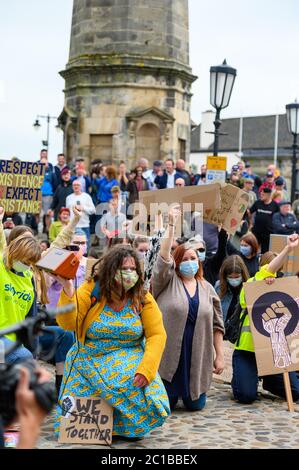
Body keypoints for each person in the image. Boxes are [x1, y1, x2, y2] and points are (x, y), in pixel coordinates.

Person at [54, 245, 170, 439]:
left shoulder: (142, 295)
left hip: (130, 354)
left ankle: (127, 428)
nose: (129, 273)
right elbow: (67, 323)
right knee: (83, 430)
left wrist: (147, 368)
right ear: (110, 270)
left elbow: (157, 334)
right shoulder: (92, 289)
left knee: (144, 390)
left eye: (133, 269)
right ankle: (101, 428)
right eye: (124, 268)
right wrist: (67, 290)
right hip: (90, 356)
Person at [152, 206, 224, 411]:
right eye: (184, 259)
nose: (190, 262)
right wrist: (172, 225)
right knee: (167, 404)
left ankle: (192, 391)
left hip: (197, 353)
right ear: (177, 262)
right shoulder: (166, 281)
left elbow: (217, 326)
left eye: (193, 259)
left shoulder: (207, 288)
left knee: (195, 405)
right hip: (169, 354)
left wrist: (219, 356)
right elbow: (163, 256)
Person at [231, 234, 299, 404]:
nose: (274, 272)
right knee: (246, 396)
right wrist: (288, 248)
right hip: (247, 351)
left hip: (272, 352)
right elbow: (268, 271)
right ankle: (241, 377)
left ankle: (269, 379)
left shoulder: (283, 290)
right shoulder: (253, 284)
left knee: (296, 392)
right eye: (271, 268)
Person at [215, 255, 249, 322]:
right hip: (223, 329)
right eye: (230, 277)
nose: (234, 280)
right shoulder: (219, 287)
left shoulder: (248, 288)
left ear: (243, 274)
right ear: (225, 276)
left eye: (237, 277)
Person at [66, 179, 96, 251]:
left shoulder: (86, 196)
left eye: (78, 185)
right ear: (72, 187)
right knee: (73, 247)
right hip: (72, 226)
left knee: (85, 248)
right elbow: (67, 212)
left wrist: (83, 208)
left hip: (84, 225)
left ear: (81, 186)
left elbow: (93, 210)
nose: (76, 186)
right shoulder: (68, 197)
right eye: (74, 185)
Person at [249, 187, 279, 253]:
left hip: (268, 233)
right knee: (253, 250)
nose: (260, 196)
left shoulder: (275, 205)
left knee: (265, 253)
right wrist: (250, 223)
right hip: (256, 232)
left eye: (263, 195)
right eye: (261, 194)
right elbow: (249, 212)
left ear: (268, 195)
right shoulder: (257, 203)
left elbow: (278, 216)